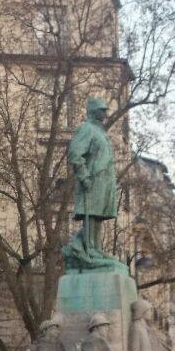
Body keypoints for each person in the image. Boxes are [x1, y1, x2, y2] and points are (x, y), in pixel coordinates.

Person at [63, 97, 119, 268]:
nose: (105, 113)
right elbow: (74, 154)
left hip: (104, 179)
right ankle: (89, 247)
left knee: (98, 216)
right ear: (94, 111)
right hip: (93, 178)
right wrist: (84, 176)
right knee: (92, 214)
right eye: (102, 110)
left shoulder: (100, 131)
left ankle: (96, 248)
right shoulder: (87, 129)